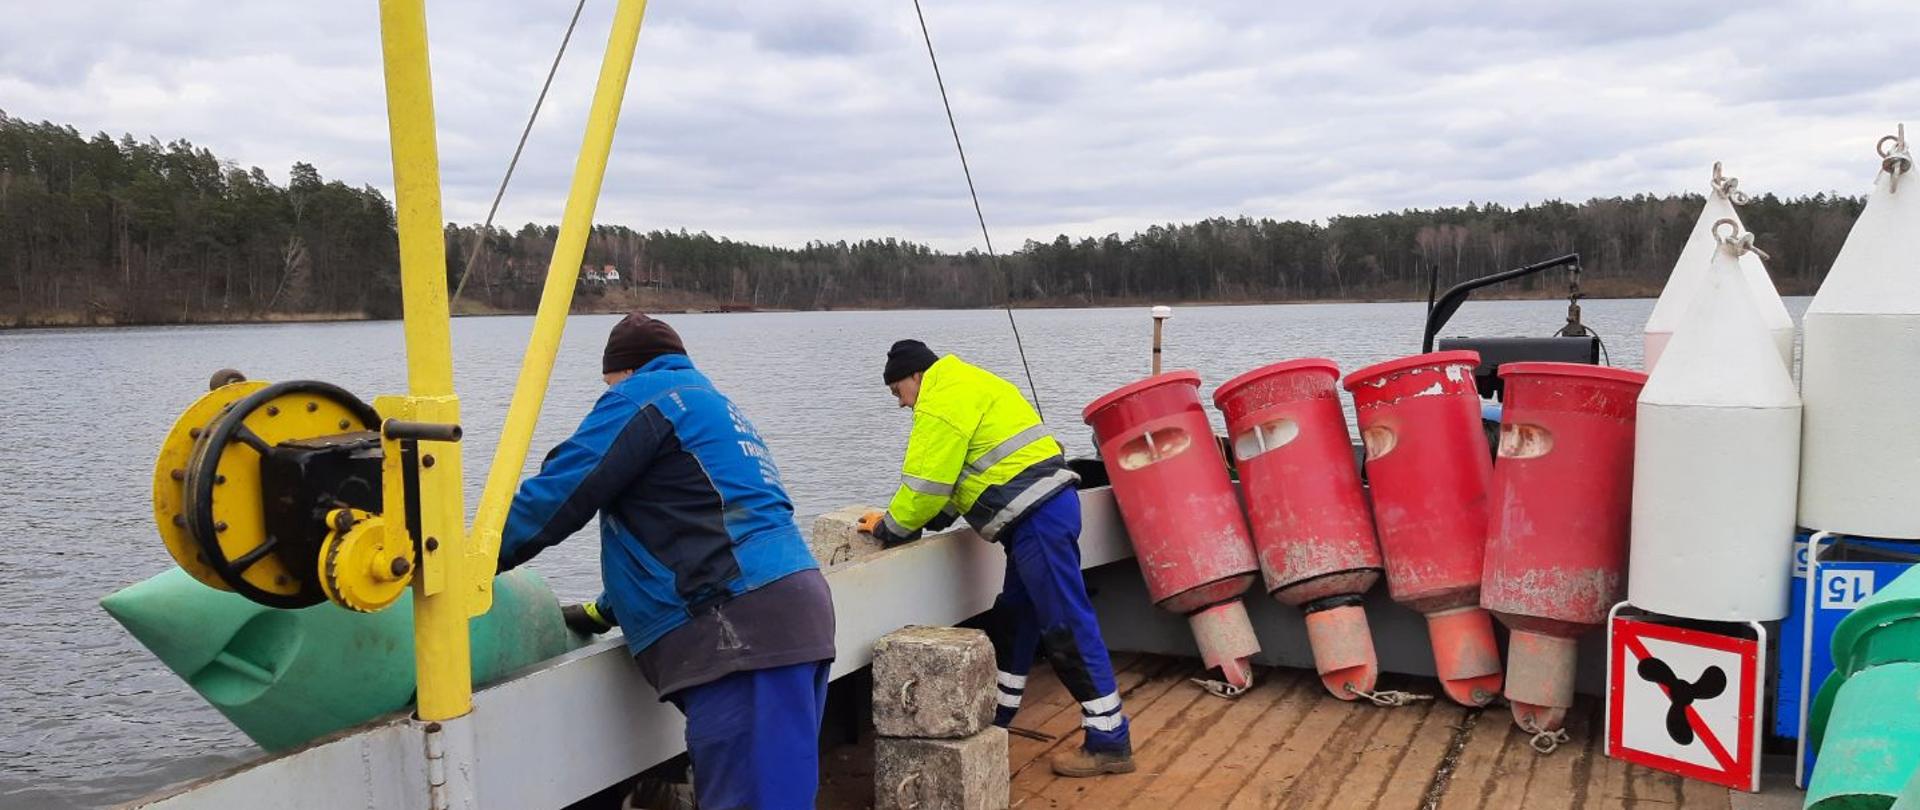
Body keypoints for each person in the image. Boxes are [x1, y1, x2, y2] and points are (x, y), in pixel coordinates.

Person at [497, 312, 836, 809]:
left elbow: (556, 496)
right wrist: (600, 612)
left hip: (740, 633)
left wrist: (463, 561)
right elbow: (693, 533)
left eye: (609, 382)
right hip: (790, 617)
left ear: (625, 372)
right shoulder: (713, 406)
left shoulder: (642, 398)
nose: (608, 392)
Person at [859, 339, 1136, 777]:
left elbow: (926, 487)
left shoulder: (937, 401)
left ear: (914, 376)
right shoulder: (971, 381)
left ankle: (1109, 739)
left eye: (898, 392)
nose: (901, 404)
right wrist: (935, 515)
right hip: (1044, 510)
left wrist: (889, 527)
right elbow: (967, 473)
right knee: (1016, 614)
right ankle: (999, 715)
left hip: (1036, 520)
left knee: (1065, 624)